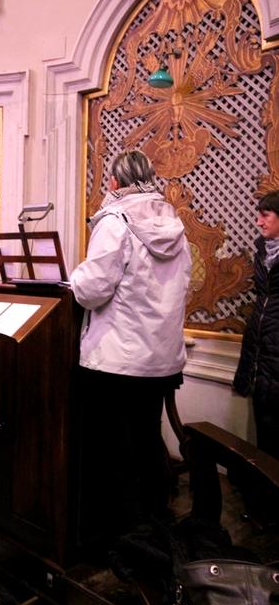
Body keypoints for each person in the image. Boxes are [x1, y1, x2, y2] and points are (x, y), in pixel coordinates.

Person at [70, 149, 191, 531]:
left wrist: (74, 277)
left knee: (111, 448)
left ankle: (118, 532)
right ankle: (154, 519)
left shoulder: (115, 220)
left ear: (114, 182)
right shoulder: (174, 224)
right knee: (146, 438)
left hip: (116, 359)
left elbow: (93, 289)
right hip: (159, 357)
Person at [234, 190, 279, 460]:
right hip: (261, 349)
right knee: (264, 426)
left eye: (265, 215)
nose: (259, 222)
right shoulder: (261, 250)